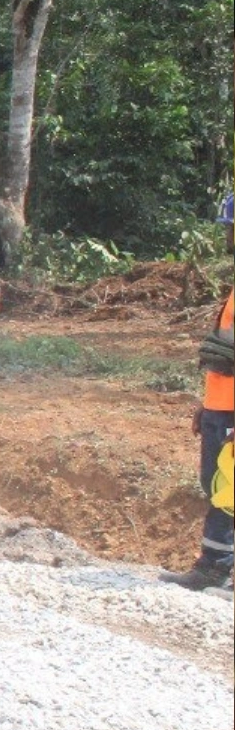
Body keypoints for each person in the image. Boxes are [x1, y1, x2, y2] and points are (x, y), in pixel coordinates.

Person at [167, 196, 234, 590]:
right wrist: (206, 404)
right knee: (217, 485)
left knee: (228, 490)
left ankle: (215, 567)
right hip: (220, 408)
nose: (227, 233)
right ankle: (215, 566)